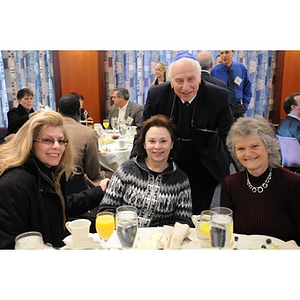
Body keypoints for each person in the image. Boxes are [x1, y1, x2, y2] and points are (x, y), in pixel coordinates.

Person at [137, 51, 234, 214]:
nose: (186, 87)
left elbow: (229, 136)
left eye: (191, 79)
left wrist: (240, 170)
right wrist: (135, 161)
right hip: (168, 162)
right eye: (179, 81)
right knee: (164, 209)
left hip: (205, 165)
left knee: (197, 213)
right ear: (171, 82)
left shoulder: (218, 95)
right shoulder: (157, 94)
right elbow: (143, 130)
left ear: (200, 78)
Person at [0, 111, 109, 249]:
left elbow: (60, 206)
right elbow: (8, 246)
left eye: (61, 141)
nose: (57, 146)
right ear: (30, 142)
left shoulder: (50, 171)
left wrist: (99, 191)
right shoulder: (15, 184)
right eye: (47, 140)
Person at [98, 114, 193, 227]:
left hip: (161, 241)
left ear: (171, 144)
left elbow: (183, 222)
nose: (157, 147)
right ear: (144, 144)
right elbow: (106, 211)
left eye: (163, 141)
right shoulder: (126, 170)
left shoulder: (180, 180)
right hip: (125, 237)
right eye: (152, 141)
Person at [221, 116, 300, 245]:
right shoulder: (230, 184)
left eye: (254, 146)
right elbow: (226, 232)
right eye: (241, 149)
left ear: (268, 147)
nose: (248, 153)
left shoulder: (293, 183)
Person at [58, 94, 111, 189]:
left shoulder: (47, 131)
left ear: (58, 111)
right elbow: (93, 173)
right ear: (79, 112)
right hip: (78, 186)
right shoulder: (89, 133)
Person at [211, 50, 252, 120]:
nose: (224, 56)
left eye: (226, 52)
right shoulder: (215, 71)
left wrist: (245, 106)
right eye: (221, 53)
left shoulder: (241, 68)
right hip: (221, 109)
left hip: (238, 108)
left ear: (233, 53)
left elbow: (247, 87)